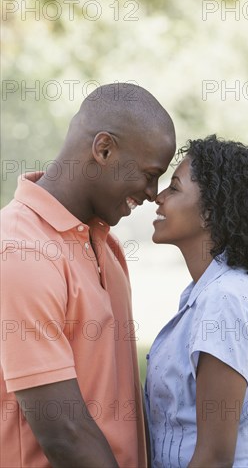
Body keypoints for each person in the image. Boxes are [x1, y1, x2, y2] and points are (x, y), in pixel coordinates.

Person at [0, 83, 176, 468]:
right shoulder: (20, 250)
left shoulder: (106, 245)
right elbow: (64, 432)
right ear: (104, 149)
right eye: (150, 175)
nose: (153, 194)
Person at [145, 135, 248, 468]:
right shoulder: (210, 292)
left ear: (210, 213)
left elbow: (214, 458)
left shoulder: (226, 300)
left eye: (173, 188)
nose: (157, 198)